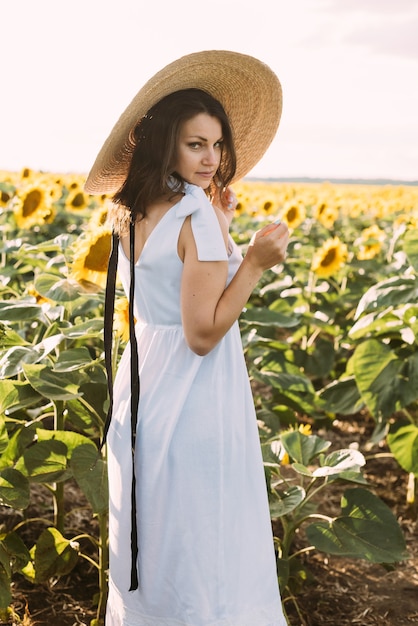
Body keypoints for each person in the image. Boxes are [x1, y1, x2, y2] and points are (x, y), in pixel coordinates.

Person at [84, 50, 289, 626]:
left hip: (145, 389)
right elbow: (201, 333)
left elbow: (168, 297)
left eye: (217, 145)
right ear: (166, 143)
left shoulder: (131, 209)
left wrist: (218, 228)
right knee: (208, 552)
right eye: (196, 144)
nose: (212, 158)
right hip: (197, 400)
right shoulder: (193, 213)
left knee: (158, 545)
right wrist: (252, 262)